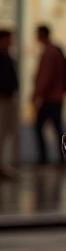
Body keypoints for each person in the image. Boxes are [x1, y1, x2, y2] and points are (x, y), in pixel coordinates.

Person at [31, 25, 66, 166]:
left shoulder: (48, 53)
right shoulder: (56, 51)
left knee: (39, 127)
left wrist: (37, 94)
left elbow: (46, 78)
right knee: (57, 128)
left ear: (41, 35)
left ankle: (44, 158)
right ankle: (62, 158)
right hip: (57, 97)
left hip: (49, 98)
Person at [0, 29, 16, 179]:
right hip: (3, 99)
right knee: (2, 132)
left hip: (8, 98)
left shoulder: (7, 56)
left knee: (6, 132)